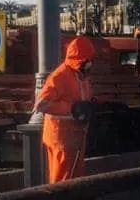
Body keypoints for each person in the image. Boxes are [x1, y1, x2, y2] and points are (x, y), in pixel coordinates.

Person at [32, 36, 97, 184]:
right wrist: (72, 109)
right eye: (87, 60)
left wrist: (91, 104)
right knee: (62, 181)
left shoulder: (81, 76)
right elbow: (41, 104)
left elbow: (83, 98)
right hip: (61, 139)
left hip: (74, 139)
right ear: (79, 59)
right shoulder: (60, 76)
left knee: (74, 180)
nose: (90, 64)